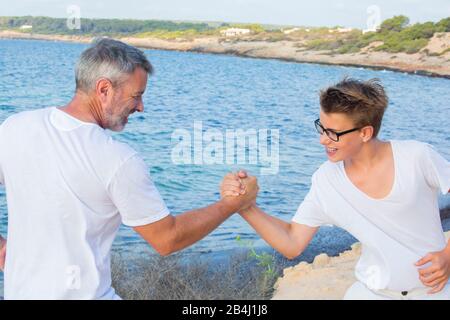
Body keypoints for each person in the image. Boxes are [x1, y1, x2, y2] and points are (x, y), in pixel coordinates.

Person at [0, 38, 258, 299]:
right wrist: (232, 204)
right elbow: (167, 239)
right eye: (136, 95)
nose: (140, 107)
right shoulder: (118, 159)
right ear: (104, 89)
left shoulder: (15, 126)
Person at [221, 78, 450, 300]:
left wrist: (447, 255)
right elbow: (292, 243)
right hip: (371, 293)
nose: (323, 140)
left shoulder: (416, 157)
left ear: (365, 133)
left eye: (333, 133)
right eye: (321, 128)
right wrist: (244, 206)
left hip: (435, 292)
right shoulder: (326, 180)